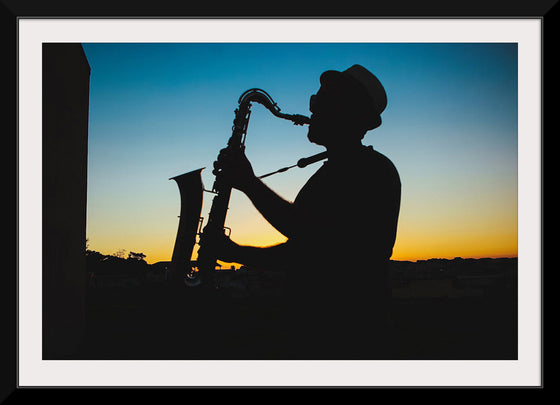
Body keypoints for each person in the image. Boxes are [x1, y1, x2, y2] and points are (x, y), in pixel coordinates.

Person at [212, 65, 401, 359]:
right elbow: (305, 249)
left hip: (345, 335)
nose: (311, 110)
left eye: (320, 104)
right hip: (324, 330)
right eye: (315, 102)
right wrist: (236, 253)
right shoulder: (340, 170)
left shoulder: (369, 171)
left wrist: (248, 183)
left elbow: (307, 235)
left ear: (346, 114)